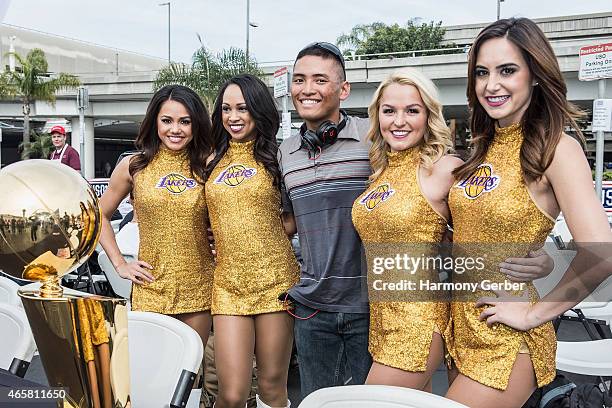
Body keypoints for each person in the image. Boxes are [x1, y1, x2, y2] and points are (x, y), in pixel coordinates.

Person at [444, 18, 612, 408]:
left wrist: (536, 312)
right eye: (482, 73)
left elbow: (602, 252)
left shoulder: (556, 147)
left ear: (535, 75)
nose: (491, 85)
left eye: (507, 70)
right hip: (463, 328)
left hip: (507, 340)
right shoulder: (483, 147)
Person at [352, 68, 459, 390]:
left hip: (419, 321)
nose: (399, 121)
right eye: (389, 111)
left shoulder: (445, 168)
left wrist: (537, 259)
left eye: (412, 110)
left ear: (429, 116)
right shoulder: (379, 171)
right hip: (382, 320)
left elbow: (486, 230)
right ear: (378, 116)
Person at [277, 42, 373, 397]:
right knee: (317, 401)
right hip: (312, 309)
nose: (307, 88)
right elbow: (290, 221)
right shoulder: (285, 151)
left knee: (372, 404)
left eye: (320, 79)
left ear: (343, 90)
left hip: (371, 305)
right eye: (299, 79)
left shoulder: (374, 135)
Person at [205, 74, 299, 408]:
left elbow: (293, 219)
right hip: (228, 286)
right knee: (230, 394)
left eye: (242, 108)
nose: (233, 117)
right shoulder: (210, 161)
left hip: (275, 283)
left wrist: (259, 233)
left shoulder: (281, 158)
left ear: (258, 110)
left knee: (272, 390)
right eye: (227, 109)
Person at [98, 84, 215, 349]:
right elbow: (99, 216)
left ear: (196, 124)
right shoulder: (134, 165)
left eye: (185, 121)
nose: (175, 129)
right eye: (167, 121)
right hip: (149, 286)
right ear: (155, 123)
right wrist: (119, 264)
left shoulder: (208, 164)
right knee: (151, 374)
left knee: (189, 376)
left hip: (199, 287)